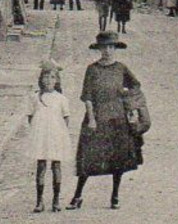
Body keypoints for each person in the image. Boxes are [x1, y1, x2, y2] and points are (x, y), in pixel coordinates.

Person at [68, 31, 142, 210]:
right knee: (88, 158)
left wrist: (130, 106)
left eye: (111, 47)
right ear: (99, 49)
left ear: (115, 48)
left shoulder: (121, 68)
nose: (107, 51)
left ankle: (114, 196)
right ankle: (77, 196)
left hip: (118, 119)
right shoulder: (92, 69)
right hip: (97, 118)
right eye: (104, 47)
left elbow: (135, 86)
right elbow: (87, 96)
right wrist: (91, 118)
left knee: (118, 159)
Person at [28, 60, 73, 212]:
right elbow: (30, 117)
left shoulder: (61, 98)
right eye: (45, 77)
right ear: (41, 79)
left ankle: (55, 200)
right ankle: (39, 201)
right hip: (41, 135)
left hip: (56, 136)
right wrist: (38, 130)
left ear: (57, 80)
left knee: (56, 165)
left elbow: (66, 117)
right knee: (41, 165)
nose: (49, 80)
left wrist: (59, 133)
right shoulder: (35, 97)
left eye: (52, 77)